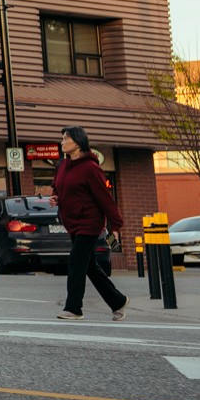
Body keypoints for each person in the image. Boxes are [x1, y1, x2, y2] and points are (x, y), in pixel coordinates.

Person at [51, 126, 124, 321]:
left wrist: (115, 226)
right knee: (90, 266)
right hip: (72, 223)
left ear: (77, 142)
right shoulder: (63, 165)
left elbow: (105, 199)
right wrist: (55, 197)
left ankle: (74, 308)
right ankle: (117, 301)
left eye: (65, 139)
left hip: (89, 223)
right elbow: (57, 186)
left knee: (76, 260)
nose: (62, 142)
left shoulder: (91, 169)